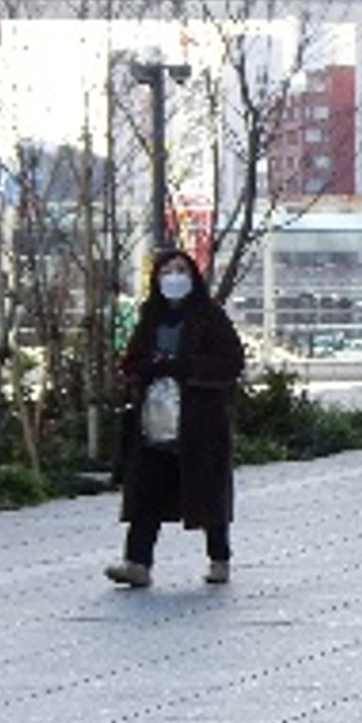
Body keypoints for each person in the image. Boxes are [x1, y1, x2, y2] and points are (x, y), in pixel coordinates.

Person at [105, 247, 247, 589]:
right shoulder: (150, 316)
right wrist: (147, 369)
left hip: (199, 419)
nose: (173, 277)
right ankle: (137, 561)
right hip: (153, 418)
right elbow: (131, 360)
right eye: (167, 270)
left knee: (206, 489)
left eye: (180, 269)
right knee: (147, 491)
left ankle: (219, 557)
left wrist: (188, 369)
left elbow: (231, 361)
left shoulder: (208, 316)